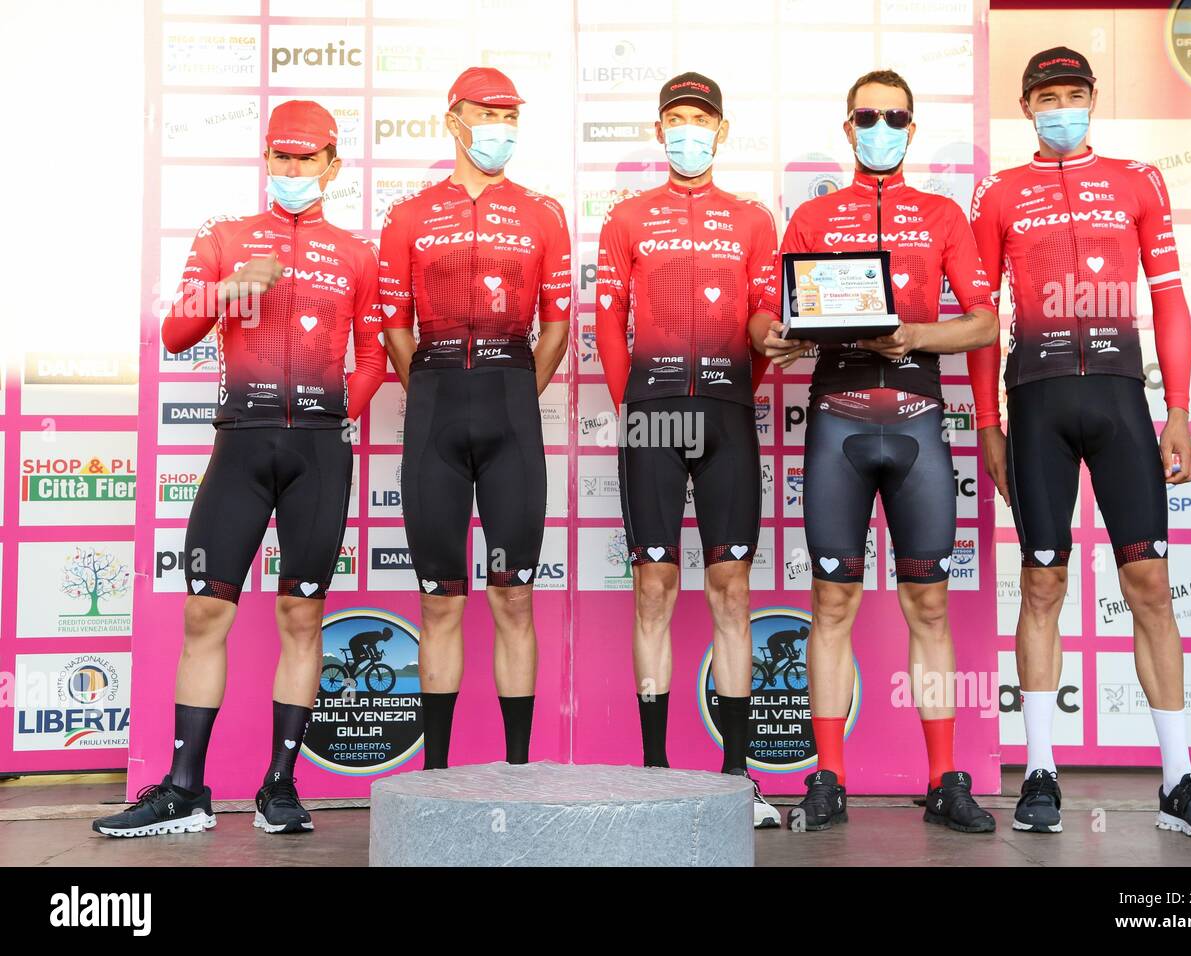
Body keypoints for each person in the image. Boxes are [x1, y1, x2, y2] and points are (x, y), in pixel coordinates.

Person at [93, 100, 387, 838]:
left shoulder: (356, 253)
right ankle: (186, 788)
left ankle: (280, 788)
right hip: (241, 445)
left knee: (302, 614)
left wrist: (331, 414)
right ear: (267, 161)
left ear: (332, 165)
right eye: (279, 158)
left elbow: (377, 355)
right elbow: (176, 330)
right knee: (205, 612)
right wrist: (230, 289)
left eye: (305, 158)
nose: (291, 171)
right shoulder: (225, 238)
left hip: (318, 452)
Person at [968, 47, 1191, 839]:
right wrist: (987, 424)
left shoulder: (1138, 180)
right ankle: (1041, 771)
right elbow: (985, 322)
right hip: (1036, 401)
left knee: (1150, 584)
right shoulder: (999, 194)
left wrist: (1179, 411)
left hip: (1121, 401)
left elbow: (1171, 298)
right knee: (1043, 584)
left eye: (1073, 93)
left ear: (1091, 98)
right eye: (1045, 95)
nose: (1060, 106)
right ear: (1026, 107)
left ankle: (1178, 779)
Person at [755, 70, 999, 833]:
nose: (881, 127)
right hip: (838, 417)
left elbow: (987, 323)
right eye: (868, 115)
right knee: (831, 603)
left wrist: (916, 336)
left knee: (929, 604)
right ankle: (827, 778)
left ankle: (944, 781)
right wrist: (770, 335)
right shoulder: (814, 217)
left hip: (920, 415)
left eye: (895, 117)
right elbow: (769, 313)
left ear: (913, 128)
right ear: (848, 125)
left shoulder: (942, 215)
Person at [596, 72, 781, 829]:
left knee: (732, 588)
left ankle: (738, 778)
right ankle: (653, 774)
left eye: (700, 118)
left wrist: (753, 374)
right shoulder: (627, 217)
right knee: (654, 587)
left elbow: (765, 318)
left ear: (722, 130)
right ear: (658, 129)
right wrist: (631, 406)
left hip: (729, 412)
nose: (687, 130)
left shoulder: (753, 219)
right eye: (675, 118)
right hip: (653, 416)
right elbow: (609, 323)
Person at [379, 67, 572, 770]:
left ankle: (518, 773)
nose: (501, 126)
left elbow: (555, 330)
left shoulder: (542, 212)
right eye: (487, 113)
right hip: (434, 414)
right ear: (453, 119)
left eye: (511, 115)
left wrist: (510, 385)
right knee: (440, 602)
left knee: (514, 597)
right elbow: (395, 329)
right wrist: (436, 386)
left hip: (510, 417)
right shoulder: (407, 215)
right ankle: (434, 776)